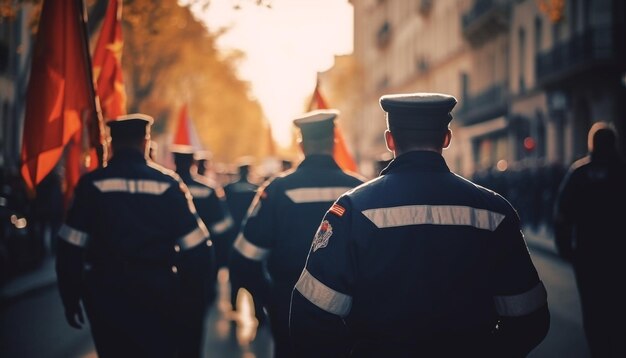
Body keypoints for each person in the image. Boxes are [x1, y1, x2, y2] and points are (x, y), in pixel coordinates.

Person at [289, 93, 550, 357]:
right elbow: (530, 317)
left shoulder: (353, 209)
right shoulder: (495, 210)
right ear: (446, 138)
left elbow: (310, 316)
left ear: (390, 140)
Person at [55, 114, 216, 358]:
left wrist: (71, 297)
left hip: (105, 295)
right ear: (145, 141)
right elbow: (197, 248)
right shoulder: (169, 184)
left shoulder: (91, 184)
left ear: (112, 143)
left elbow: (69, 247)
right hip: (158, 293)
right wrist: (189, 298)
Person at [229, 109, 366, 358]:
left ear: (301, 144)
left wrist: (270, 298)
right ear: (334, 141)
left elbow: (244, 257)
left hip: (288, 306)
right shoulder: (360, 189)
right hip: (349, 311)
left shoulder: (278, 190)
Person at [553, 121, 626, 358]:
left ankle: (599, 349)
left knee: (592, 307)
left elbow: (562, 214)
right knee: (617, 304)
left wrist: (565, 248)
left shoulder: (579, 173)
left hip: (587, 253)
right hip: (618, 254)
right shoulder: (621, 172)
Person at [171, 145, 235, 275]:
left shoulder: (168, 186)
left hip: (172, 253)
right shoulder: (209, 189)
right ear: (193, 163)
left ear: (175, 162)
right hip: (204, 251)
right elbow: (220, 226)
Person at [223, 157, 265, 324]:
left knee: (234, 272)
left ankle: (234, 302)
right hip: (251, 236)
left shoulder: (228, 188)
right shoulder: (257, 189)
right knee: (254, 273)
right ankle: (258, 310)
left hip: (233, 236)